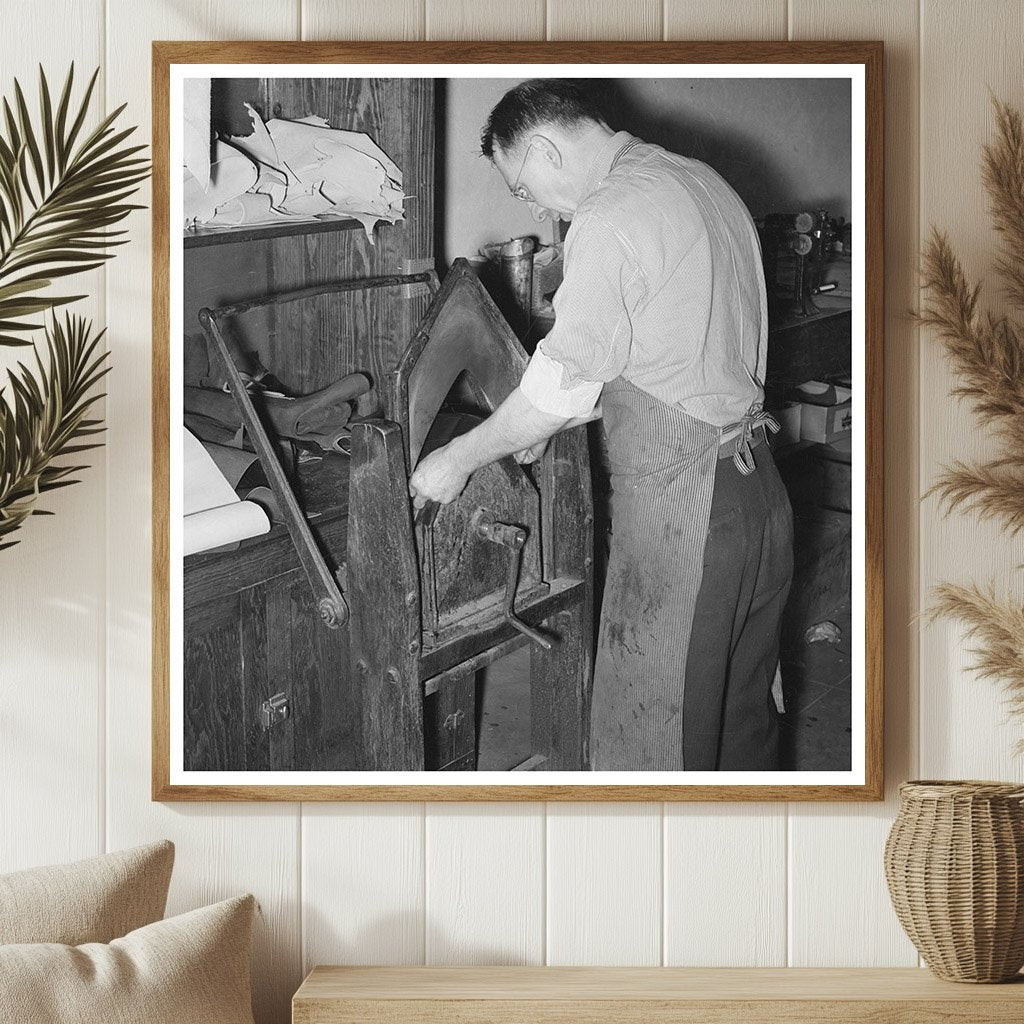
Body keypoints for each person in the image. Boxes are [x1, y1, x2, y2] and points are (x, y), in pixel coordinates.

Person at [409, 79, 793, 771]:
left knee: (656, 740)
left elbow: (559, 388)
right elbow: (659, 360)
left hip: (691, 515)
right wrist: (532, 427)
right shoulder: (700, 181)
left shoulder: (610, 215)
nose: (534, 206)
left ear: (547, 150)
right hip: (759, 496)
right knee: (740, 732)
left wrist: (457, 459)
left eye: (523, 189)